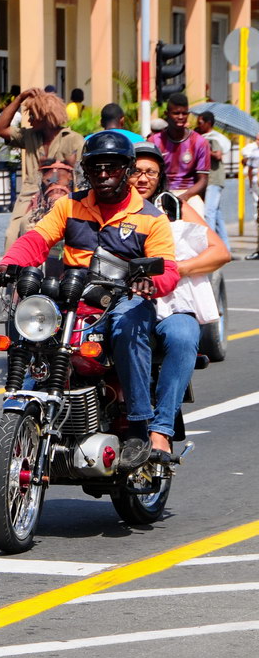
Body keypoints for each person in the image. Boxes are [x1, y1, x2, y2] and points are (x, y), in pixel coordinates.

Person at [0, 131, 179, 471]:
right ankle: (28, 405)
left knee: (128, 321)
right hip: (74, 302)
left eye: (113, 167)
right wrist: (8, 264)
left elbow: (168, 269)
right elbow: (36, 240)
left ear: (127, 169)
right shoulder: (69, 205)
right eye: (95, 167)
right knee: (31, 319)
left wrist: (149, 283)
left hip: (123, 300)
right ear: (86, 171)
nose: (103, 174)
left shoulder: (151, 218)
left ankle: (137, 426)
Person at [130, 142, 230, 461]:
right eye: (135, 171)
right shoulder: (106, 205)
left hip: (170, 304)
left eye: (150, 172)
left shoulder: (172, 206)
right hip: (118, 305)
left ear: (160, 178)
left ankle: (160, 430)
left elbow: (219, 251)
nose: (142, 178)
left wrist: (177, 270)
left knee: (184, 336)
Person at [0, 87, 85, 248]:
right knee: (12, 236)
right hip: (29, 196)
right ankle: (15, 272)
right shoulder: (28, 136)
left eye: (33, 116)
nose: (29, 121)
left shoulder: (73, 139)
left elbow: (81, 175)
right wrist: (20, 98)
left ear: (45, 116)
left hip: (62, 198)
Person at [149, 93, 209, 216]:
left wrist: (184, 196)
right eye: (176, 113)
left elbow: (203, 180)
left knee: (199, 220)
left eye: (184, 113)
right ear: (167, 114)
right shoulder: (154, 141)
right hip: (162, 192)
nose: (181, 117)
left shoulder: (200, 142)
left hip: (189, 193)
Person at [195, 111, 231, 248]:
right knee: (217, 214)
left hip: (213, 180)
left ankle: (210, 245)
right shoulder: (203, 137)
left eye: (200, 122)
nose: (198, 125)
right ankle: (225, 247)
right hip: (209, 181)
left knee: (209, 212)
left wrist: (204, 150)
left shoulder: (213, 139)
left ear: (208, 123)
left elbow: (218, 155)